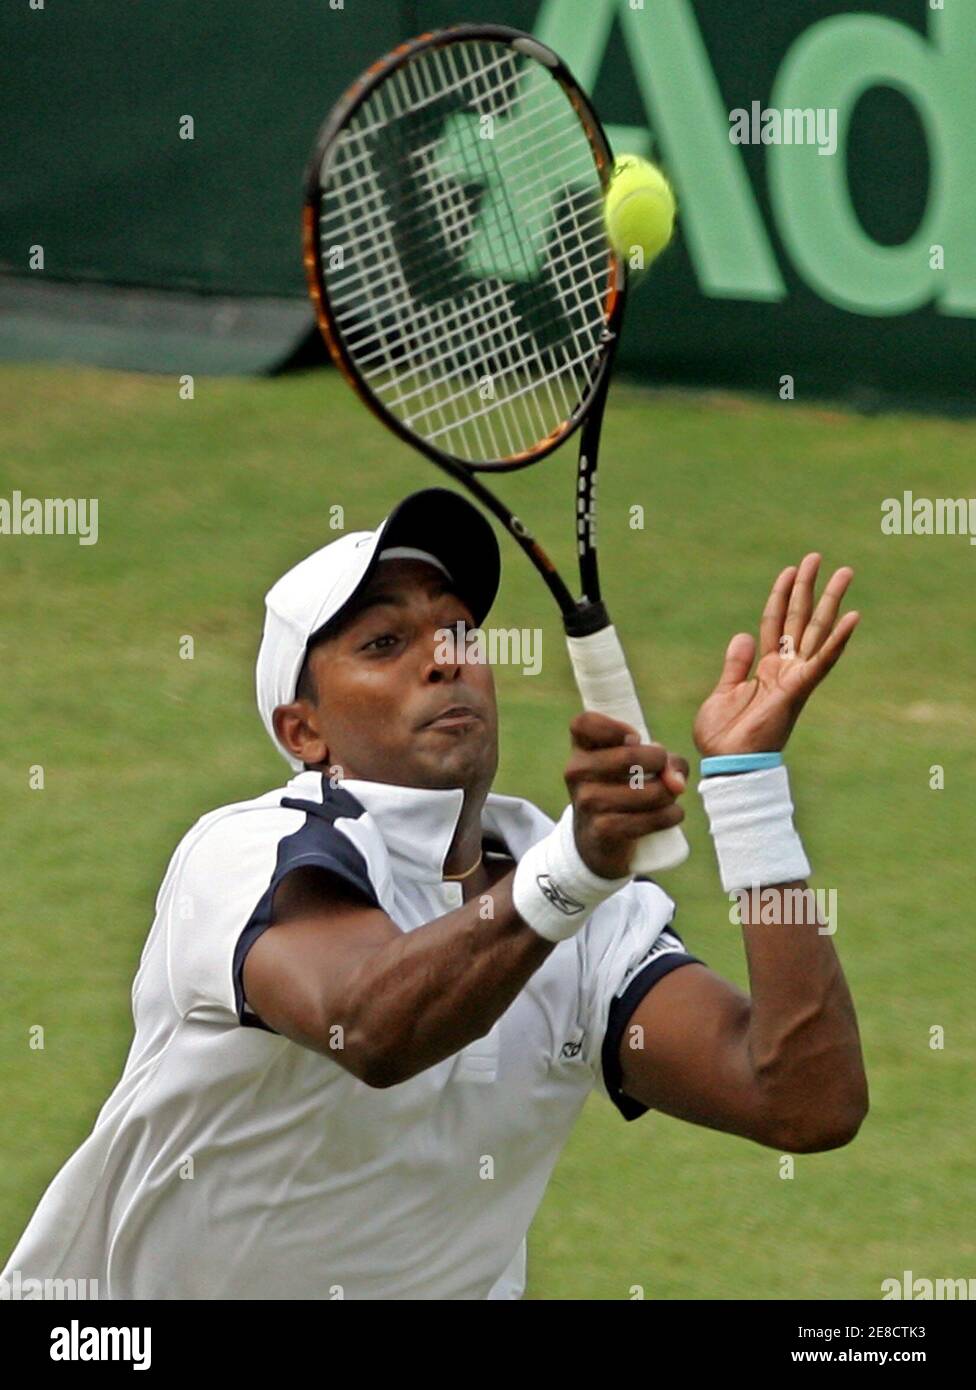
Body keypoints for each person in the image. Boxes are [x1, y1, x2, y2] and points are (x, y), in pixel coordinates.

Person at [1, 487, 867, 1301]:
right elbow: (371, 1028)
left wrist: (749, 789)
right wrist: (575, 870)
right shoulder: (245, 856)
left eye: (458, 631)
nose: (442, 661)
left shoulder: (585, 909)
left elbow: (803, 1102)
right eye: (384, 644)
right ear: (302, 730)